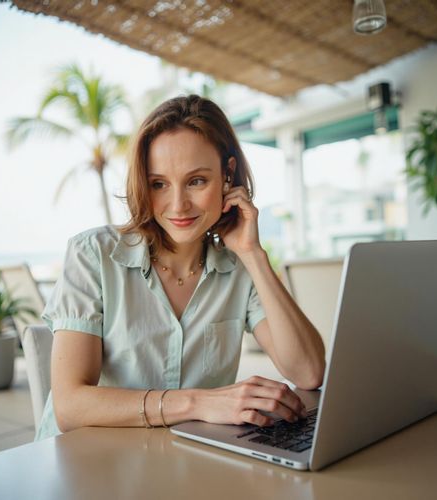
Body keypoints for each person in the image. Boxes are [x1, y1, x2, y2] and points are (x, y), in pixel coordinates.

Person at [36, 95, 325, 440]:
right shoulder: (93, 254)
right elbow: (71, 406)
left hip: (181, 462)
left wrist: (253, 255)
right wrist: (198, 403)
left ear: (227, 175)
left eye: (197, 181)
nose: (178, 205)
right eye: (159, 184)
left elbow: (308, 373)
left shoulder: (239, 269)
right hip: (87, 463)